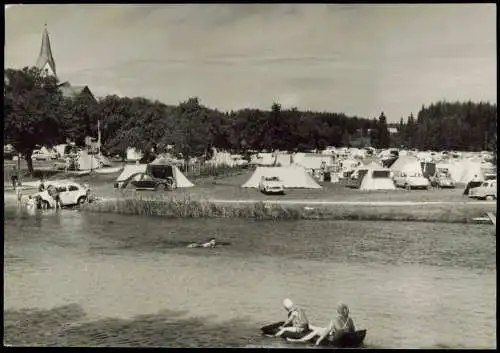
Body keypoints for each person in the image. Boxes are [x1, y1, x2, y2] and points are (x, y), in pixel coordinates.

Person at [289, 303, 356, 346]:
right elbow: (353, 330)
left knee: (317, 331)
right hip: (341, 335)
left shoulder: (334, 320)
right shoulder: (350, 319)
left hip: (334, 337)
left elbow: (326, 332)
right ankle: (310, 326)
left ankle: (300, 340)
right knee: (321, 328)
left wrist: (318, 341)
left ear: (338, 311)